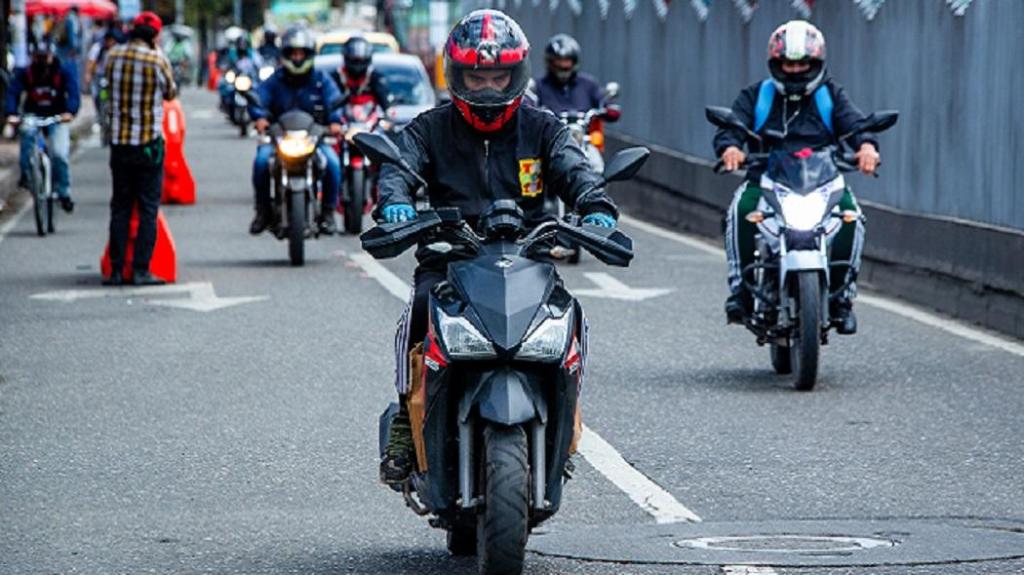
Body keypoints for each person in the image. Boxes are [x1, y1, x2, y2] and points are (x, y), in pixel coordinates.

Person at [377, 10, 619, 485]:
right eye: (476, 75)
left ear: (517, 74)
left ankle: (566, 419)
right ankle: (407, 420)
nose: (488, 86)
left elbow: (575, 169)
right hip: (450, 258)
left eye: (498, 75)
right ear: (457, 74)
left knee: (571, 317)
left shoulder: (542, 127)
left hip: (528, 257)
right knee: (419, 311)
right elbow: (399, 168)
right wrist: (396, 204)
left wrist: (595, 205)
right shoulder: (431, 127)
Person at [713, 20, 880, 334]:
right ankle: (741, 290)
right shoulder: (757, 95)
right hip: (765, 180)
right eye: (788, 63)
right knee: (739, 210)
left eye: (802, 63)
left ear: (816, 63)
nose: (795, 69)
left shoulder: (830, 95)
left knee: (852, 218)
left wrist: (867, 148)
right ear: (776, 63)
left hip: (823, 181)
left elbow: (857, 126)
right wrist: (731, 148)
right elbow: (732, 127)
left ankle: (842, 298)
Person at [102, 12, 177, 286]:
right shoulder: (157, 59)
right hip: (148, 147)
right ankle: (141, 270)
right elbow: (170, 92)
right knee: (147, 208)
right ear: (155, 36)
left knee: (120, 206)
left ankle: (116, 270)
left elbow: (105, 85)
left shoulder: (113, 56)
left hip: (120, 146)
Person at [247, 26, 343, 236]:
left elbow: (335, 102)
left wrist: (334, 121)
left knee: (333, 164)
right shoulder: (275, 80)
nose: (298, 58)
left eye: (302, 53)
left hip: (313, 138)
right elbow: (258, 99)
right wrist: (260, 117)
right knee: (261, 162)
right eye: (293, 53)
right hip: (279, 137)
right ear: (286, 55)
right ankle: (262, 212)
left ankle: (327, 214)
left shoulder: (321, 79)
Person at [5, 40, 80, 213]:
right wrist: (12, 114)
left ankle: (63, 192)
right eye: (38, 56)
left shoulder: (62, 72)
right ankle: (26, 176)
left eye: (44, 56)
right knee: (27, 141)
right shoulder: (26, 73)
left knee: (60, 154)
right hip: (32, 116)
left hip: (57, 117)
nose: (41, 60)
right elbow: (13, 93)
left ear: (51, 55)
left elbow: (74, 94)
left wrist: (70, 111)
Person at [533, 33, 606, 115]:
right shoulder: (537, 86)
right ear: (550, 62)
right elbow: (527, 107)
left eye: (567, 60)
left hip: (585, 127)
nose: (563, 65)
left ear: (574, 61)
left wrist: (609, 109)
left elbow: (605, 104)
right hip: (550, 127)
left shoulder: (589, 85)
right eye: (559, 60)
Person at [330, 36, 390, 111]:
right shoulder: (336, 76)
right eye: (354, 60)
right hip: (342, 120)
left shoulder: (375, 77)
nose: (357, 64)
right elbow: (330, 104)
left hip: (370, 119)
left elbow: (387, 104)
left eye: (361, 60)